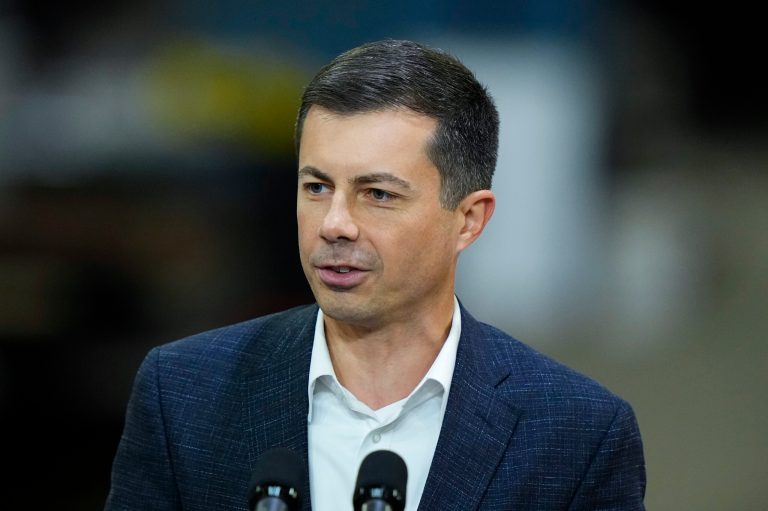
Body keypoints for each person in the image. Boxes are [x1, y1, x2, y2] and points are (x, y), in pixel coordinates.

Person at [105, 39, 645, 511]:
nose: (334, 224)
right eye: (317, 188)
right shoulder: (184, 394)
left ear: (468, 220)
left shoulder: (576, 433)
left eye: (378, 194)